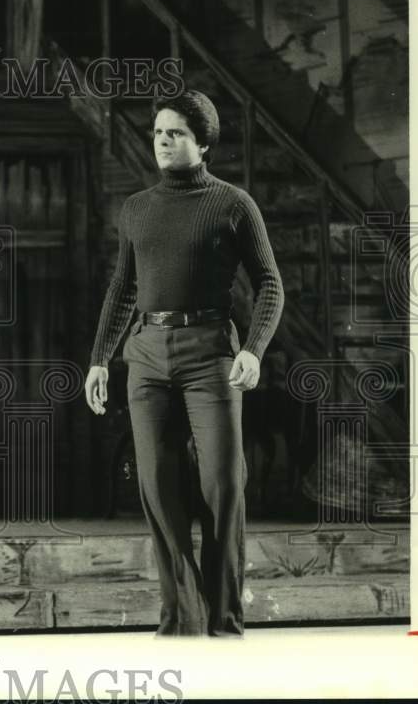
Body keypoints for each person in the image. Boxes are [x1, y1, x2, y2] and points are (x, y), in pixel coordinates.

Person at [84, 90, 284, 637]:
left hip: (211, 353)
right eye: (158, 132)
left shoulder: (232, 203)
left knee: (222, 483)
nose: (164, 141)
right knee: (156, 485)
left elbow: (269, 283)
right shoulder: (138, 208)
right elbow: (123, 289)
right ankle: (183, 616)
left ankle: (222, 618)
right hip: (146, 356)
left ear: (203, 142)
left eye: (176, 133)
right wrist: (100, 359)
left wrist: (254, 348)